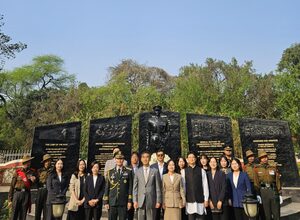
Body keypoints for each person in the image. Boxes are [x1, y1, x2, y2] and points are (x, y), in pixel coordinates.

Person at [103, 151, 133, 220]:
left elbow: (130, 187)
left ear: (123, 160)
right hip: (112, 202)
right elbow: (107, 187)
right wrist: (106, 201)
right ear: (115, 160)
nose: (119, 160)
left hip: (123, 202)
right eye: (118, 159)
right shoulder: (110, 172)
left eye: (121, 158)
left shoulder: (128, 171)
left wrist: (129, 201)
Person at [133, 150, 162, 220]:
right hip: (140, 200)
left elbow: (158, 187)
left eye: (147, 157)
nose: (145, 159)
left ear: (149, 159)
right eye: (143, 157)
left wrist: (158, 201)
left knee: (151, 218)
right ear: (141, 159)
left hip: (151, 200)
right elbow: (135, 188)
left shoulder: (155, 171)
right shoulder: (138, 171)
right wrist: (135, 200)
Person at [254, 150, 282, 220]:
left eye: (265, 157)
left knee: (276, 213)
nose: (264, 159)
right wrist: (257, 194)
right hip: (263, 192)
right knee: (267, 214)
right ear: (260, 159)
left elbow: (277, 181)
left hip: (273, 191)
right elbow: (256, 182)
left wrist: (280, 193)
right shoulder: (256, 169)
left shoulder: (273, 168)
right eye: (262, 157)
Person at [8, 155, 36, 220]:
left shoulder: (32, 172)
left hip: (26, 194)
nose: (29, 163)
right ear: (24, 162)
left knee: (23, 215)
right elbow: (12, 185)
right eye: (27, 162)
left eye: (29, 161)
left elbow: (34, 184)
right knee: (14, 214)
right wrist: (10, 199)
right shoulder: (18, 172)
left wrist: (34, 180)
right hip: (17, 194)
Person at [184, 152, 209, 220]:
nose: (191, 159)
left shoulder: (202, 171)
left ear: (195, 159)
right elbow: (183, 187)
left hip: (200, 201)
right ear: (187, 159)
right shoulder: (183, 171)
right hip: (189, 201)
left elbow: (205, 186)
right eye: (190, 157)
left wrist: (206, 199)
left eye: (193, 157)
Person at [151, 149, 167, 220]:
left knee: (165, 212)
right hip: (155, 192)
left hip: (165, 191)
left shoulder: (167, 165)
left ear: (164, 156)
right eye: (158, 155)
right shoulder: (152, 166)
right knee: (156, 213)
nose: (160, 156)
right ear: (156, 156)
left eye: (161, 155)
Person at [35, 154, 52, 220]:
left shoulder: (52, 171)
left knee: (46, 212)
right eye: (46, 161)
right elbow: (36, 181)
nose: (47, 162)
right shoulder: (39, 171)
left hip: (48, 192)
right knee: (37, 212)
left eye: (49, 161)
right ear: (44, 162)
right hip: (40, 191)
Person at [127, 151, 140, 220]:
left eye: (136, 157)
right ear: (131, 158)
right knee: (129, 215)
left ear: (138, 158)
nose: (135, 158)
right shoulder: (127, 168)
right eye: (133, 157)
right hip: (129, 195)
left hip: (139, 195)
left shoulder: (141, 169)